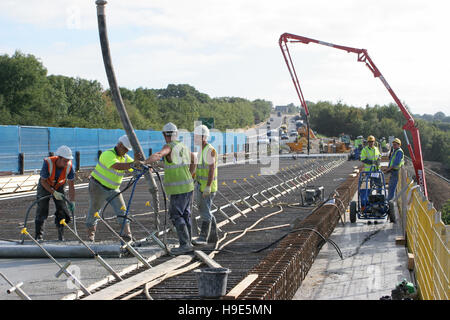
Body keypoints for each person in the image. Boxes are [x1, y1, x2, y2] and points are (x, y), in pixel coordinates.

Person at [144, 123, 196, 255]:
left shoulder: (169, 146)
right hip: (188, 186)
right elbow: (194, 159)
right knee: (185, 214)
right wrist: (190, 174)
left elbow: (160, 154)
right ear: (176, 134)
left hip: (178, 190)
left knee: (176, 215)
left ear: (163, 134)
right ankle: (188, 241)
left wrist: (144, 163)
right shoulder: (182, 146)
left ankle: (185, 244)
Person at [86, 135, 141, 242]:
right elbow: (117, 166)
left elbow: (134, 166)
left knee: (122, 210)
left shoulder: (124, 157)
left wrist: (142, 165)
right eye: (125, 149)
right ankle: (90, 236)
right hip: (98, 187)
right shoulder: (107, 154)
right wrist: (134, 163)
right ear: (119, 145)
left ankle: (127, 235)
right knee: (94, 210)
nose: (125, 152)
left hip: (114, 189)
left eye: (127, 150)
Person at [35, 145, 76, 241]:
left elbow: (71, 185)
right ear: (59, 158)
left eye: (68, 160)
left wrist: (72, 201)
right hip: (45, 186)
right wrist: (54, 193)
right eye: (65, 160)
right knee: (42, 209)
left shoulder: (69, 166)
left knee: (62, 210)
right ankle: (38, 237)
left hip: (59, 186)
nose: (67, 162)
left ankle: (61, 236)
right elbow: (43, 181)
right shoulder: (48, 162)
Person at [191, 125, 218, 246]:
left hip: (208, 187)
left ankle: (203, 237)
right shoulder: (202, 150)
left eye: (196, 136)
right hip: (201, 185)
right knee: (206, 211)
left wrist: (208, 186)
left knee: (205, 213)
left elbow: (212, 169)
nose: (194, 138)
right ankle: (213, 236)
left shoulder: (209, 150)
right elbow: (200, 169)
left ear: (203, 137)